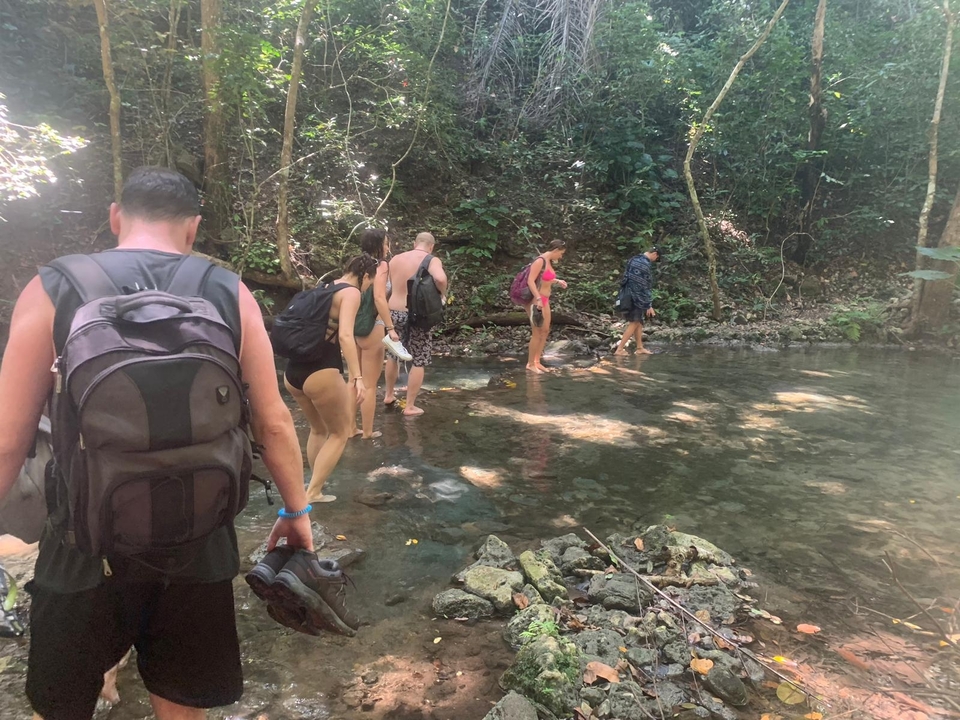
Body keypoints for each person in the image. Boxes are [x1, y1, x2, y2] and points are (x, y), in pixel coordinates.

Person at [0, 167, 315, 720]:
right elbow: (273, 423)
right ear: (192, 229)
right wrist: (296, 509)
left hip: (82, 549)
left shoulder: (56, 286)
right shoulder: (226, 290)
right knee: (183, 704)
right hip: (198, 544)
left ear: (116, 217)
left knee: (64, 705)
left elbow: (7, 440)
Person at [284, 254, 378, 503]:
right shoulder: (352, 293)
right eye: (370, 282)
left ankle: (315, 486)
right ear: (365, 275)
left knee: (318, 429)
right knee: (339, 433)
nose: (368, 287)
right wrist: (357, 377)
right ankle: (312, 492)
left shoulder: (325, 287)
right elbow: (346, 336)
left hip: (293, 370)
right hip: (321, 371)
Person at [350, 229, 410, 439]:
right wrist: (391, 328)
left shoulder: (356, 262)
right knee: (369, 383)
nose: (388, 246)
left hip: (352, 324)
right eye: (385, 242)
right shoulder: (381, 265)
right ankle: (367, 432)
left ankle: (350, 428)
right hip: (372, 326)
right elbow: (378, 298)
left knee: (352, 379)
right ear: (378, 245)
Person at [383, 232, 448, 416]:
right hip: (416, 314)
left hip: (393, 312)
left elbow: (388, 286)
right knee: (419, 358)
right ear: (431, 246)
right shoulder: (431, 260)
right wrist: (442, 294)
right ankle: (410, 406)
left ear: (414, 243)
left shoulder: (395, 259)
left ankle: (388, 395)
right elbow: (441, 279)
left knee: (393, 354)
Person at [523, 240, 568, 373]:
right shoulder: (540, 261)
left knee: (545, 330)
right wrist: (537, 298)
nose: (561, 256)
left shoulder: (548, 261)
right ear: (555, 250)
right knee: (537, 332)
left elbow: (544, 278)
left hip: (545, 299)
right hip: (536, 300)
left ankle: (537, 361)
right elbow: (530, 280)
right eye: (561, 253)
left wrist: (557, 281)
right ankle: (530, 364)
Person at [614, 246, 660, 355]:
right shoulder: (645, 265)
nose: (655, 261)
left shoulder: (634, 259)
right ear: (655, 254)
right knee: (634, 322)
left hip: (627, 295)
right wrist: (648, 304)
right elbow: (645, 286)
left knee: (638, 322)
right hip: (636, 298)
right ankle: (619, 349)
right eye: (657, 259)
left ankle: (640, 348)